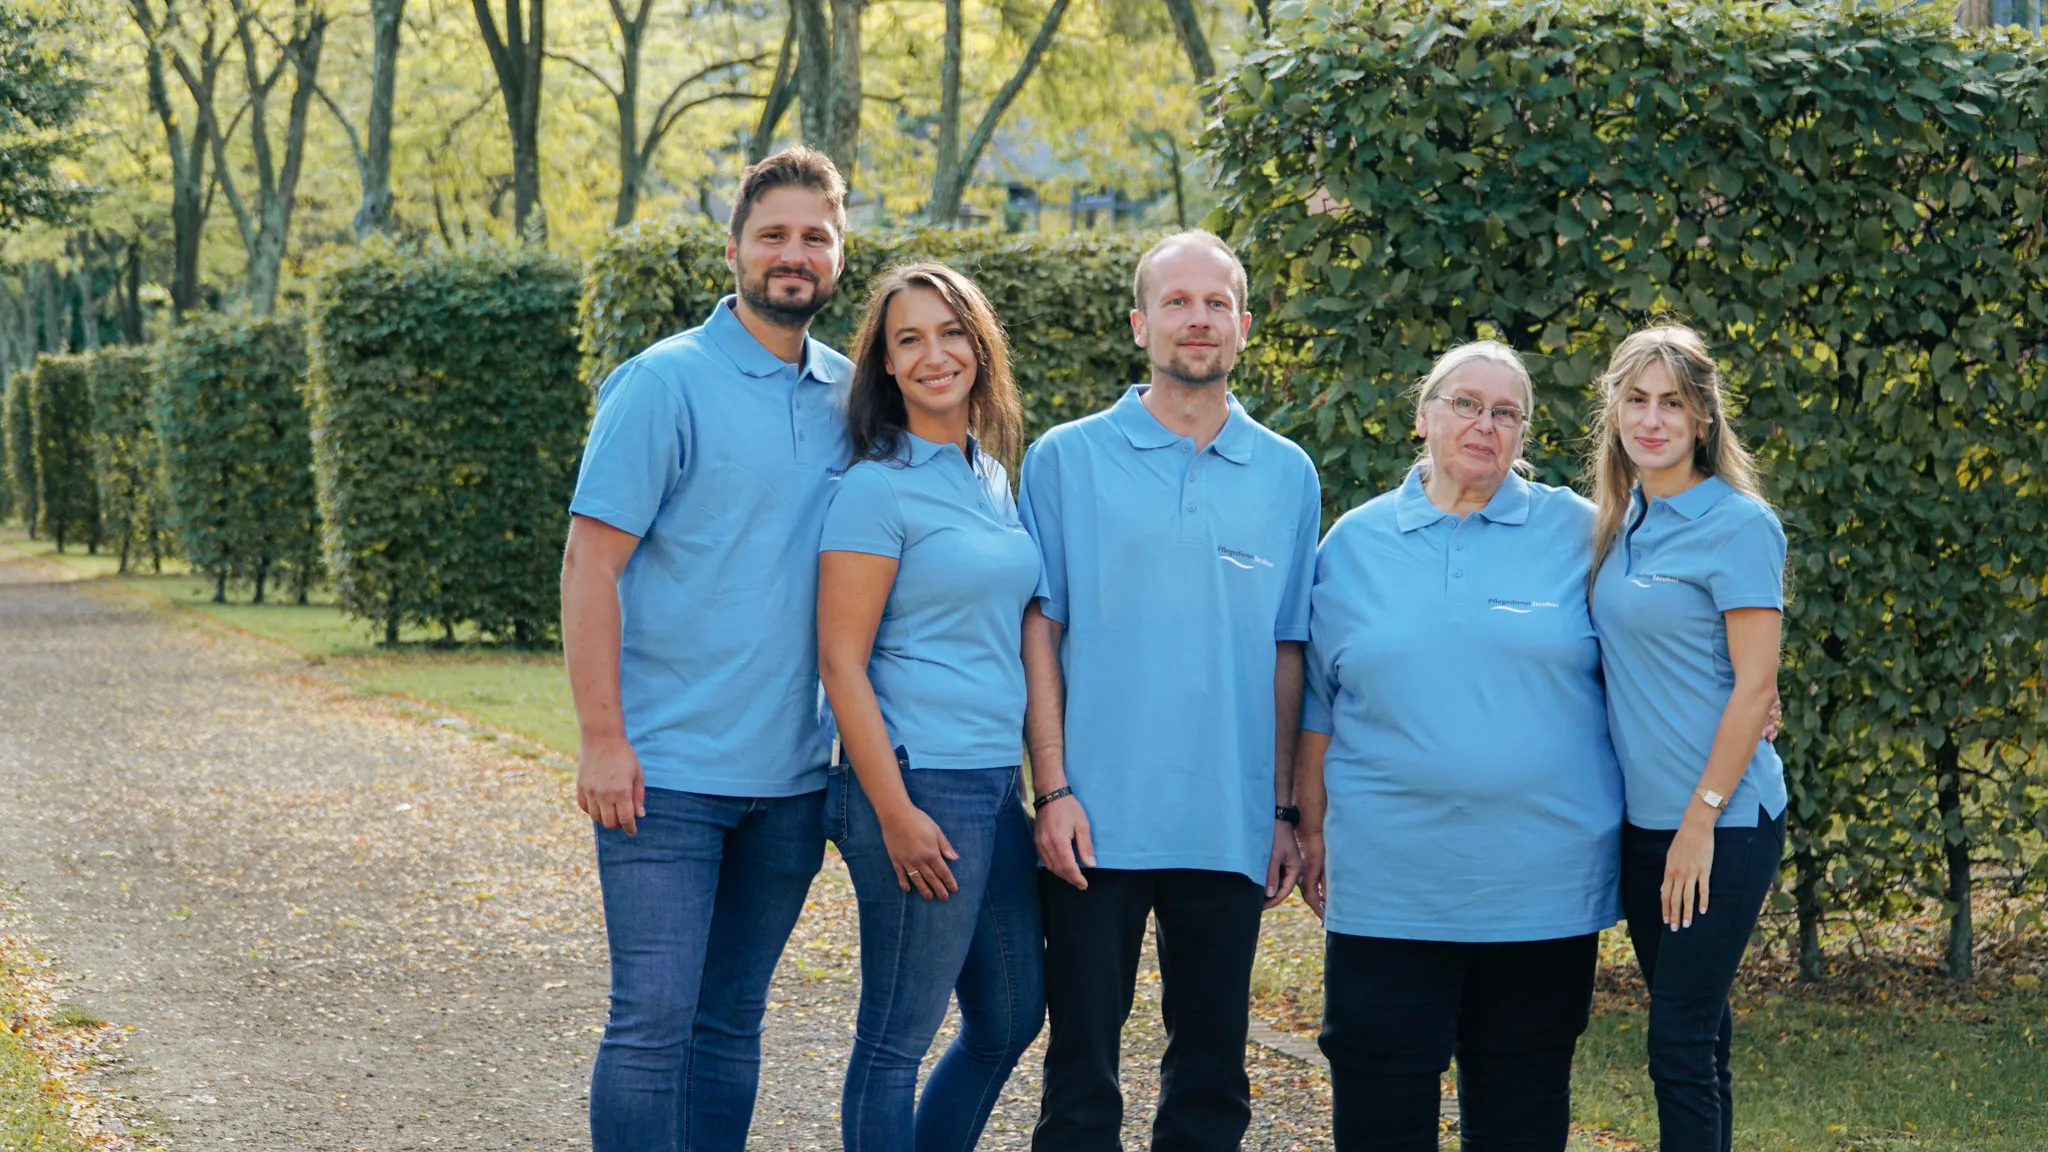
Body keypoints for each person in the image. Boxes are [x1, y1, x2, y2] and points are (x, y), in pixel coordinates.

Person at [559, 147, 853, 1152]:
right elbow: (589, 565)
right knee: (651, 1023)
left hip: (789, 780)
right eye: (773, 234)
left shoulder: (853, 399)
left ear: (839, 256)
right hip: (665, 775)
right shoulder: (661, 383)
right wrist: (603, 739)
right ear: (733, 248)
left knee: (732, 1023)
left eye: (814, 236)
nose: (793, 253)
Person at [1020, 229, 1321, 1152]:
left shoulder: (1288, 474)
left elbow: (1287, 654)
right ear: (1140, 322)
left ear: (1243, 326)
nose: (1199, 319)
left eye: (1217, 303)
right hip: (1094, 821)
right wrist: (1055, 789)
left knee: (1210, 1080)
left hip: (1226, 821)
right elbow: (1041, 632)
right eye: (1178, 302)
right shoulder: (1064, 460)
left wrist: (1281, 810)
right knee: (1080, 1075)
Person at [1294, 341, 1624, 1150]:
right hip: (1389, 887)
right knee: (1379, 1104)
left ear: (1524, 434)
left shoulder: (1583, 535)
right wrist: (1306, 828)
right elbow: (1317, 709)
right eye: (1465, 403)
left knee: (1521, 1104)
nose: (1485, 423)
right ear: (1423, 417)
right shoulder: (1353, 544)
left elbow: (1660, 642)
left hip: (1541, 889)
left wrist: (1748, 686)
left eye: (1506, 412)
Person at [815, 262, 1045, 1151]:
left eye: (950, 332)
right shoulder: (877, 486)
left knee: (1012, 1016)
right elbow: (840, 660)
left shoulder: (990, 476)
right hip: (918, 785)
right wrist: (894, 809)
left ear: (980, 347)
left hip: (993, 786)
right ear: (885, 364)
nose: (933, 353)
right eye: (908, 339)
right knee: (893, 1041)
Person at [1586, 325, 1786, 1152]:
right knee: (1703, 1036)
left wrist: (1700, 821)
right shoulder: (1616, 520)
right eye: (1636, 399)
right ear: (1615, 412)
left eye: (1673, 402)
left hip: (1723, 823)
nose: (1653, 419)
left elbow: (1756, 686)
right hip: (1644, 828)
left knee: (1676, 1043)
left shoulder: (1739, 524)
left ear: (1703, 417)